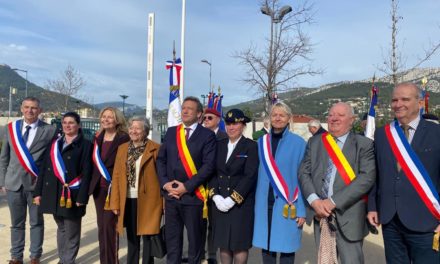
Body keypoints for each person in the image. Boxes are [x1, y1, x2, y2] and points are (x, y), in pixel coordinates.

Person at [368, 82, 440, 264]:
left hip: (427, 222)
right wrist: (372, 206)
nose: (398, 104)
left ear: (420, 102)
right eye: (394, 100)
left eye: (405, 99)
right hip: (390, 219)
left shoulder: (436, 132)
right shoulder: (382, 134)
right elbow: (375, 174)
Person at [299, 102, 376, 263]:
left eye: (340, 115)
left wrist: (333, 202)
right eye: (331, 115)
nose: (334, 119)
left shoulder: (364, 144)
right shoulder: (315, 142)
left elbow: (366, 178)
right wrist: (315, 201)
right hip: (321, 214)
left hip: (350, 216)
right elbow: (303, 173)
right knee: (325, 260)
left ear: (352, 120)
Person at [156, 96, 216, 264]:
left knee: (195, 242)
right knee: (173, 242)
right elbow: (161, 160)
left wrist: (187, 187)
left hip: (193, 196)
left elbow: (208, 166)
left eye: (190, 108)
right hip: (171, 196)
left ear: (199, 114)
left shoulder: (207, 135)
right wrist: (165, 183)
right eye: (184, 108)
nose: (185, 110)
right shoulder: (171, 132)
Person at [0, 97, 56, 264]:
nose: (30, 111)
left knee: (36, 222)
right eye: (27, 107)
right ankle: (16, 257)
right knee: (16, 223)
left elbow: (52, 159)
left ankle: (34, 256)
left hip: (36, 185)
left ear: (40, 110)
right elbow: (4, 157)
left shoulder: (50, 130)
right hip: (13, 184)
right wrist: (2, 182)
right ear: (21, 109)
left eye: (34, 108)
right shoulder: (10, 129)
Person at [33, 112, 92, 264]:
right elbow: (44, 169)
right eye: (65, 122)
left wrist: (82, 197)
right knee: (61, 228)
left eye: (71, 122)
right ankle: (62, 259)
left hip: (72, 193)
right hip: (54, 193)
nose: (67, 125)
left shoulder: (86, 145)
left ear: (78, 125)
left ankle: (68, 261)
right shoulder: (54, 144)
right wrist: (38, 192)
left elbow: (87, 173)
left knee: (72, 232)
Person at [253, 102, 307, 264]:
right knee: (267, 247)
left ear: (289, 119)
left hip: (288, 204)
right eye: (274, 115)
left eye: (282, 115)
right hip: (264, 203)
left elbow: (304, 179)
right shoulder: (260, 143)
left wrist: (302, 210)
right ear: (269, 118)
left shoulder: (299, 144)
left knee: (287, 249)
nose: (277, 118)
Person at [109, 116, 163, 264]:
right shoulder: (123, 149)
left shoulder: (155, 149)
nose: (133, 131)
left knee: (148, 237)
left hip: (150, 201)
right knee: (132, 238)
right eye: (131, 128)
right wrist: (115, 202)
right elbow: (117, 175)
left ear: (145, 131)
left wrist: (164, 203)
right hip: (128, 199)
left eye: (137, 128)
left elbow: (162, 177)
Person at [209, 109, 259, 264]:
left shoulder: (250, 146)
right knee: (223, 245)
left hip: (240, 205)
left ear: (243, 125)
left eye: (235, 123)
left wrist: (232, 199)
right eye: (228, 124)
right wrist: (215, 196)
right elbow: (211, 172)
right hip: (220, 202)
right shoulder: (219, 145)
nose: (231, 127)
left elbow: (249, 176)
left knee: (239, 246)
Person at [88, 107, 129, 264]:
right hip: (99, 189)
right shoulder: (98, 137)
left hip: (115, 188)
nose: (106, 120)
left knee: (110, 227)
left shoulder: (124, 138)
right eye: (103, 116)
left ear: (117, 120)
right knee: (102, 227)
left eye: (110, 117)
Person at [202, 107, 227, 264]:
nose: (206, 120)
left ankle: (211, 254)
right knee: (196, 224)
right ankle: (196, 252)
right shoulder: (198, 136)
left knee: (214, 223)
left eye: (209, 118)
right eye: (204, 118)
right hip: (198, 186)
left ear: (218, 119)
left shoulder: (225, 137)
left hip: (216, 186)